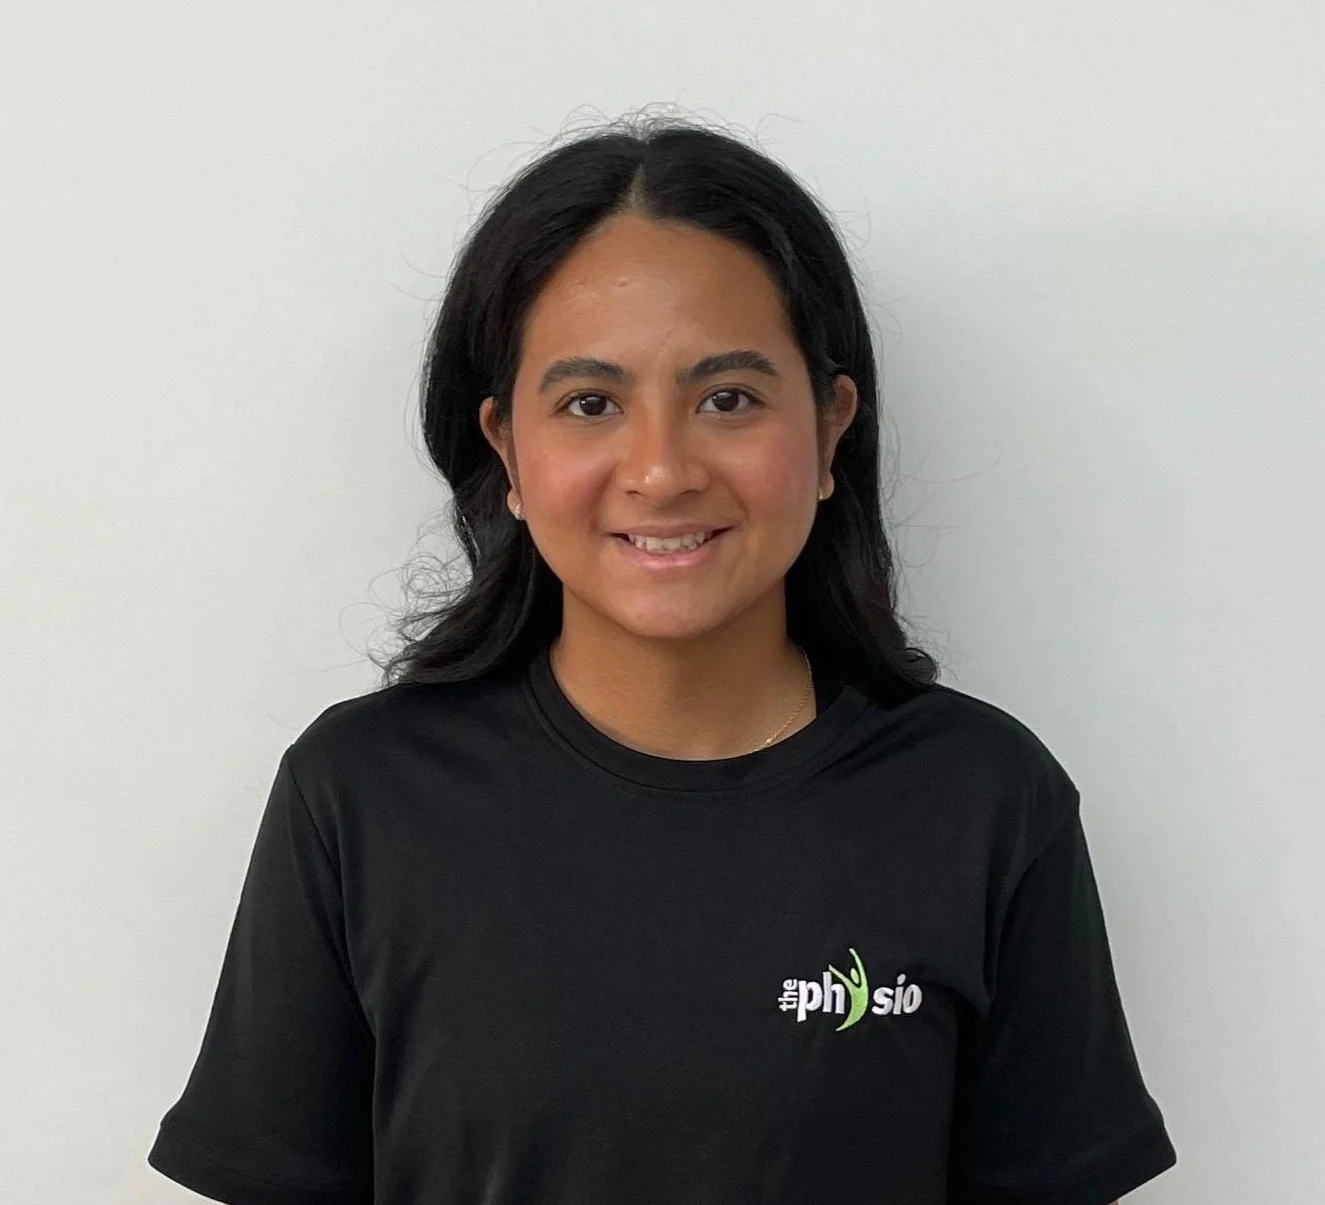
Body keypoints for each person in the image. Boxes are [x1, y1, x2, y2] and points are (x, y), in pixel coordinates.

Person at [146, 113, 1177, 1205]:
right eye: (590, 404)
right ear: (506, 447)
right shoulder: (360, 794)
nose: (659, 469)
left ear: (830, 429)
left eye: (726, 399)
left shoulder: (982, 800)